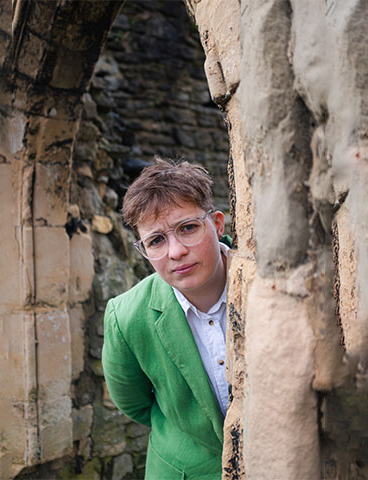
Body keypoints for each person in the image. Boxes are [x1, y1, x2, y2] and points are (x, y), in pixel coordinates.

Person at [102, 158, 231, 479]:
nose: (175, 252)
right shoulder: (126, 316)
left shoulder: (273, 287)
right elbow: (135, 404)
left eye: (188, 228)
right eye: (156, 240)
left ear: (217, 224)